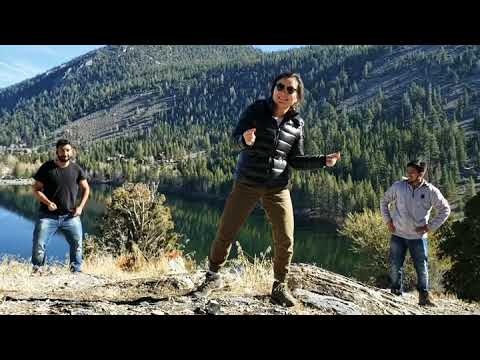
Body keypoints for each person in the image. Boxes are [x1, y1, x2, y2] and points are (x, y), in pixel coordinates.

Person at [193, 72, 341, 307]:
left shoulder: (296, 124)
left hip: (277, 187)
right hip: (247, 182)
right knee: (227, 230)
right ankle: (212, 277)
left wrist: (323, 160)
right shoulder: (256, 111)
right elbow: (233, 140)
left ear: (297, 96)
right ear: (273, 89)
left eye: (290, 89)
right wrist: (244, 140)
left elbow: (296, 160)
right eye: (279, 87)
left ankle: (279, 286)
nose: (283, 92)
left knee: (285, 238)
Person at [380, 160, 450, 306]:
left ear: (421, 173)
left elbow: (445, 209)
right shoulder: (399, 186)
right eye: (408, 171)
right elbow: (384, 201)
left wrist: (429, 227)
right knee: (394, 265)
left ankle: (424, 298)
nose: (408, 174)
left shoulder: (430, 191)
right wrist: (388, 221)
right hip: (398, 234)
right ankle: (395, 294)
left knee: (421, 267)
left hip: (418, 237)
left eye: (412, 172)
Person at [31, 139, 90, 274]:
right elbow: (36, 189)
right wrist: (47, 202)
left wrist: (80, 207)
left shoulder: (76, 169)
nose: (65, 153)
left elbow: (86, 189)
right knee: (39, 244)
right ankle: (38, 269)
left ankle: (76, 271)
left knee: (77, 245)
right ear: (56, 151)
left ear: (72, 151)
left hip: (71, 216)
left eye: (68, 150)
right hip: (47, 216)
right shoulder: (47, 168)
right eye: (62, 150)